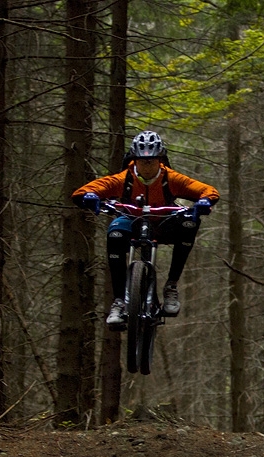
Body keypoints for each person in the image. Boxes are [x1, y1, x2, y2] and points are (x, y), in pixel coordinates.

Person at [71, 130, 220, 330]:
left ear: (160, 160)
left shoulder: (171, 178)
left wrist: (204, 201)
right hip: (131, 221)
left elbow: (207, 190)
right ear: (134, 160)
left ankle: (171, 286)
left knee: (189, 224)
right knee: (114, 235)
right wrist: (90, 196)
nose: (147, 165)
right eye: (142, 161)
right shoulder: (124, 179)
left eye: (152, 161)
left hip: (163, 223)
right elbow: (83, 191)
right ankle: (119, 301)